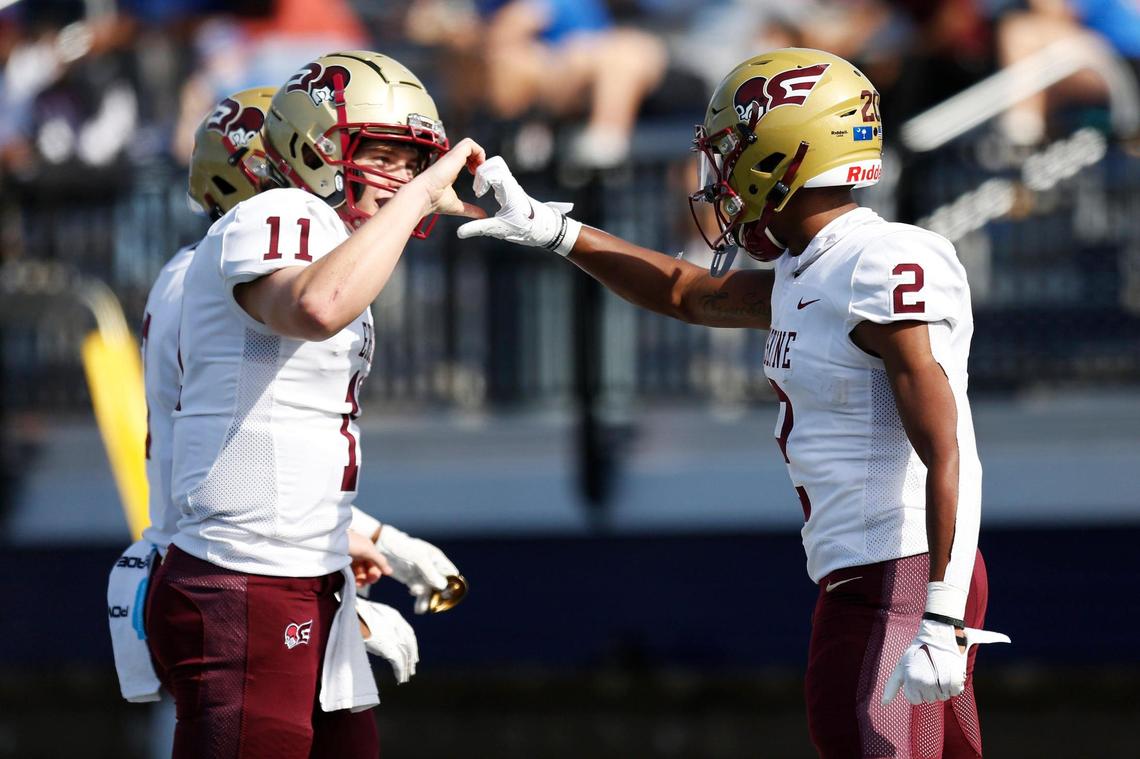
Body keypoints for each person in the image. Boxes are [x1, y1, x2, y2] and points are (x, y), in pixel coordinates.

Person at [457, 47, 1009, 757]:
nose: (719, 176)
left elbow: (950, 444)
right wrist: (558, 232)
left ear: (782, 156)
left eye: (732, 152)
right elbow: (687, 293)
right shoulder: (813, 267)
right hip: (881, 574)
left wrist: (939, 614)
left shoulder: (879, 262)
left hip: (898, 574)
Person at [144, 53, 485, 759]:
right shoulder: (277, 212)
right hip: (246, 578)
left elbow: (276, 431)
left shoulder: (321, 237)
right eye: (386, 155)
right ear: (317, 146)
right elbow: (316, 304)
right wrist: (421, 195)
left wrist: (357, 541)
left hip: (300, 575)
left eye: (414, 160)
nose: (401, 175)